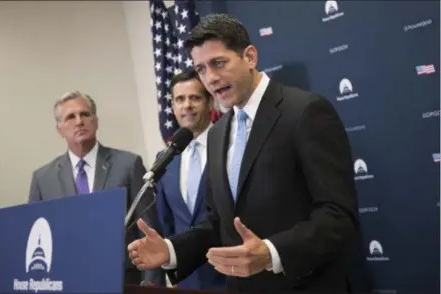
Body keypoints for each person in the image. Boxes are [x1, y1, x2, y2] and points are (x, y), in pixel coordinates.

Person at [128, 14, 359, 293]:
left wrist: (271, 253)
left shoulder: (305, 112)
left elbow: (338, 215)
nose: (210, 78)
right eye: (201, 69)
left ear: (249, 57)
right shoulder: (217, 133)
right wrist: (170, 250)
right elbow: (218, 223)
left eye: (219, 63)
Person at [28, 91, 165, 287]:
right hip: (68, 282)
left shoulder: (128, 164)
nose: (79, 121)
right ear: (60, 129)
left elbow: (149, 230)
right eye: (70, 117)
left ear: (96, 121)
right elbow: (38, 238)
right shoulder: (43, 178)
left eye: (85, 114)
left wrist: (152, 285)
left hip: (125, 280)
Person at [155, 70, 226, 290]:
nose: (187, 105)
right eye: (180, 99)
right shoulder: (165, 159)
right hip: (188, 280)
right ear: (173, 106)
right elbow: (166, 222)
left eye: (194, 97)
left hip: (230, 276)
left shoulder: (229, 146)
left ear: (210, 102)